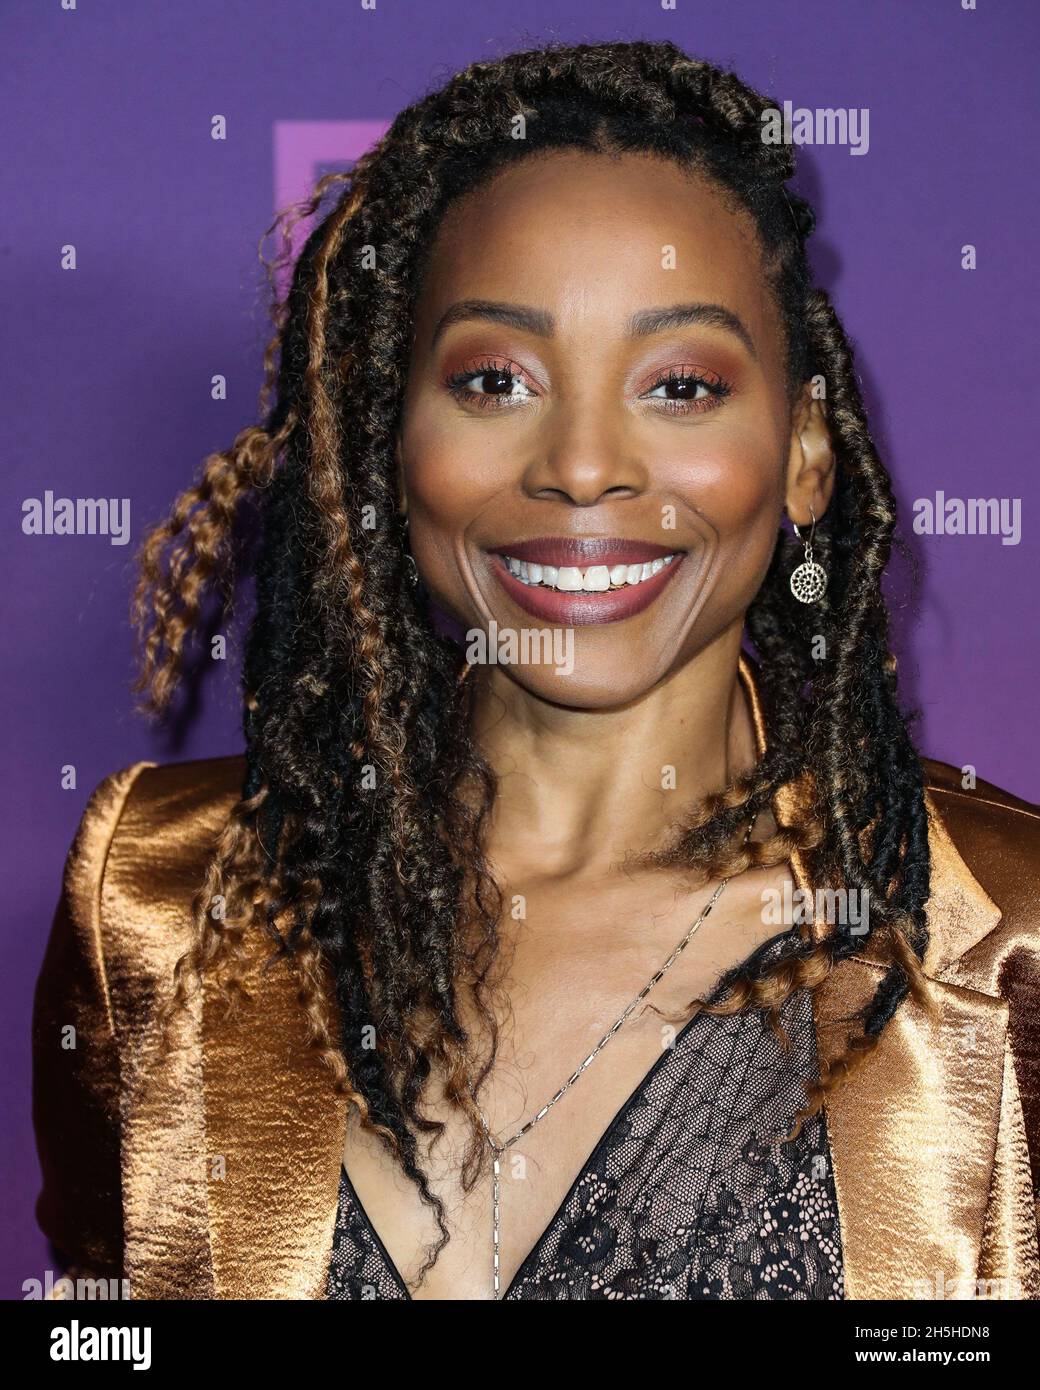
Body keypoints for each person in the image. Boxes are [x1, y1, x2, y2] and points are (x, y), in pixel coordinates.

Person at [33, 38, 1040, 1302]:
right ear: (387, 442)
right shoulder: (157, 904)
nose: (578, 463)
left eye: (678, 384)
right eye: (493, 379)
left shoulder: (1003, 941)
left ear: (802, 455)